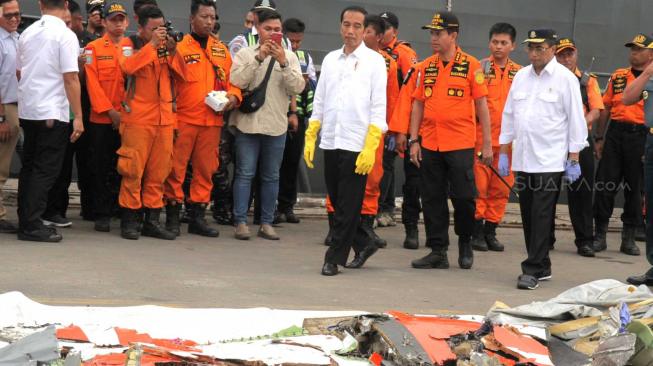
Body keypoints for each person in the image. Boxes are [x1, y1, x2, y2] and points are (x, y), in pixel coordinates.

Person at [499, 29, 587, 290]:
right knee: (528, 212)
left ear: (552, 49)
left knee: (540, 212)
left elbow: (576, 119)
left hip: (550, 158)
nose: (534, 53)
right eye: (531, 48)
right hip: (525, 158)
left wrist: (574, 157)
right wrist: (504, 151)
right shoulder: (522, 77)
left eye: (540, 48)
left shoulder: (565, 79)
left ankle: (533, 268)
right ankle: (543, 265)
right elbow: (509, 115)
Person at [305, 6, 387, 276]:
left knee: (349, 204)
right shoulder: (330, 60)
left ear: (365, 30)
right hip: (332, 139)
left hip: (357, 143)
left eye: (356, 26)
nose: (350, 31)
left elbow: (378, 107)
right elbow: (320, 98)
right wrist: (312, 131)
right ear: (340, 26)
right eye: (346, 25)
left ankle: (333, 258)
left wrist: (371, 144)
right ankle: (365, 241)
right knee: (340, 201)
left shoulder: (375, 62)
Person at [409, 11, 493, 271]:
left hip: (460, 143)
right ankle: (438, 250)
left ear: (453, 35)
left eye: (438, 33)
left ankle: (465, 242)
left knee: (464, 197)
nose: (433, 38)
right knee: (432, 198)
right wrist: (414, 140)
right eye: (432, 33)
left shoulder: (471, 66)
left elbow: (482, 106)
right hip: (431, 144)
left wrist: (487, 144)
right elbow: (418, 105)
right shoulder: (425, 67)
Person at [163, 0, 241, 238]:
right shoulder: (179, 48)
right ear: (192, 19)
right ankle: (173, 217)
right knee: (175, 170)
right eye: (204, 16)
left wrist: (233, 98)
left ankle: (198, 217)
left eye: (212, 17)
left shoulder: (221, 50)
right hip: (184, 119)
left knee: (206, 171)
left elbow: (234, 84)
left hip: (212, 121)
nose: (209, 21)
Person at [323, 14, 399, 250]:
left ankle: (362, 230)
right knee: (339, 189)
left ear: (378, 36)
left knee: (371, 182)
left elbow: (391, 100)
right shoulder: (333, 59)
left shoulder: (385, 63)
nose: (357, 33)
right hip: (339, 135)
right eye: (348, 25)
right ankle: (348, 234)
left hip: (372, 134)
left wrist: (394, 133)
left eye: (363, 29)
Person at [230, 9, 304, 241]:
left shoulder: (290, 57)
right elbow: (237, 81)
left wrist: (282, 62)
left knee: (272, 176)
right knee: (244, 174)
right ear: (258, 29)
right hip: (248, 124)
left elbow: (297, 88)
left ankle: (266, 222)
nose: (274, 34)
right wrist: (259, 58)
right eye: (268, 29)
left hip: (276, 126)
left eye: (277, 30)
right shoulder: (244, 54)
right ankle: (240, 222)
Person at [16, 0, 84, 242]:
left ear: (40, 3)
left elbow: (19, 71)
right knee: (45, 171)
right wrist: (79, 117)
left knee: (30, 167)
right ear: (65, 4)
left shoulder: (27, 33)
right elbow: (70, 78)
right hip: (52, 112)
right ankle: (32, 224)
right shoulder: (65, 35)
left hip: (29, 109)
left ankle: (26, 220)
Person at [117, 6, 185, 240]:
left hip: (164, 120)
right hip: (138, 120)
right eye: (154, 29)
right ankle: (130, 220)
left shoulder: (167, 48)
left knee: (159, 173)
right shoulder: (130, 44)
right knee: (132, 171)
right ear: (142, 28)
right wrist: (152, 46)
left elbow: (182, 76)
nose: (159, 32)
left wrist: (174, 51)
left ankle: (152, 221)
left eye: (162, 28)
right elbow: (127, 67)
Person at [592, 33, 653, 256]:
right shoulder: (618, 76)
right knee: (605, 185)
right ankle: (599, 234)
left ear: (651, 54)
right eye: (632, 49)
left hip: (642, 136)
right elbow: (606, 107)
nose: (634, 53)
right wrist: (600, 137)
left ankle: (628, 238)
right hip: (616, 133)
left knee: (635, 189)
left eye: (639, 49)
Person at [471, 23, 522, 253]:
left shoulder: (521, 74)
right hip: (482, 140)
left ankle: (491, 230)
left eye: (504, 43)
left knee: (501, 188)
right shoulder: (479, 68)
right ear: (489, 42)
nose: (498, 47)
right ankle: (477, 231)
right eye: (495, 42)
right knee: (479, 187)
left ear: (512, 45)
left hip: (509, 144)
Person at [552, 37, 604, 257]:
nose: (566, 58)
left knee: (582, 193)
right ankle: (545, 238)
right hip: (553, 142)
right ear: (555, 55)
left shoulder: (586, 81)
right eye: (562, 54)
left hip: (580, 142)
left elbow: (597, 109)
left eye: (569, 53)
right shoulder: (550, 79)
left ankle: (584, 240)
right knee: (547, 192)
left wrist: (578, 125)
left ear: (576, 54)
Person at [84, 2, 128, 232]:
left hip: (127, 119)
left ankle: (120, 209)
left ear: (127, 22)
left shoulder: (133, 48)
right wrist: (110, 112)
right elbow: (92, 84)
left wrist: (123, 114)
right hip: (101, 119)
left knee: (123, 166)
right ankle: (101, 214)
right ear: (105, 22)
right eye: (113, 19)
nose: (118, 23)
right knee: (100, 167)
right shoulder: (93, 48)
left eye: (121, 19)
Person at [377, 11, 417, 229]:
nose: (382, 32)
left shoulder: (404, 53)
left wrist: (399, 126)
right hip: (377, 117)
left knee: (386, 165)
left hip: (397, 119)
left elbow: (411, 90)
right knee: (381, 165)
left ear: (395, 31)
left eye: (386, 28)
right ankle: (384, 207)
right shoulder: (373, 52)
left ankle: (384, 209)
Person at [275, 17, 317, 224]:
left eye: (299, 41)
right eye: (292, 41)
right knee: (274, 163)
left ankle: (287, 206)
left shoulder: (305, 57)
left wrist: (306, 83)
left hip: (298, 115)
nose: (296, 45)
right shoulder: (274, 53)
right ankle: (271, 206)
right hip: (276, 112)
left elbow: (314, 86)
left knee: (292, 161)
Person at [621, 34, 653, 286]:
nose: (634, 52)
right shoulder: (647, 75)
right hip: (651, 140)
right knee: (650, 206)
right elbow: (627, 98)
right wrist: (646, 73)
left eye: (640, 49)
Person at [0, 0, 20, 234]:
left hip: (16, 106)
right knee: (2, 166)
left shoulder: (14, 38)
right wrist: (2, 117)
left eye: (17, 14)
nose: (15, 19)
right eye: (9, 15)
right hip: (5, 108)